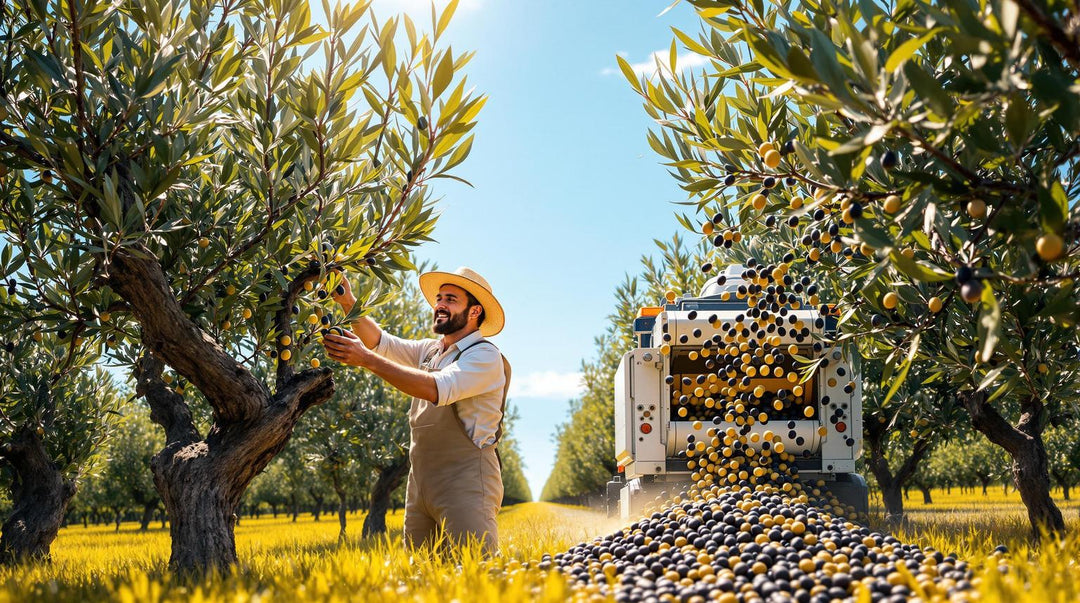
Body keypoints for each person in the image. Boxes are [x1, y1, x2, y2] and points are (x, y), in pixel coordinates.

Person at [322, 266, 510, 555]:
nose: (440, 305)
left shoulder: (484, 356)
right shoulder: (431, 352)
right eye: (439, 298)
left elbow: (435, 388)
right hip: (420, 483)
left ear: (475, 312)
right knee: (422, 578)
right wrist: (348, 302)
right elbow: (380, 343)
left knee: (477, 573)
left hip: (466, 483)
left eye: (451, 299)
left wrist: (366, 360)